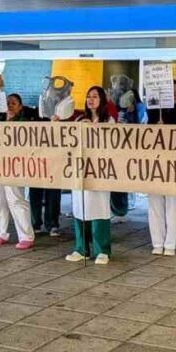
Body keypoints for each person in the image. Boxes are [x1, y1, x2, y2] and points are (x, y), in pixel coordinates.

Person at [66, 86, 115, 265]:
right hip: (79, 171)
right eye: (88, 96)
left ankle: (102, 250)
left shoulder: (108, 120)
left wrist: (93, 128)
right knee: (80, 208)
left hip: (99, 171)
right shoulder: (79, 119)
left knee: (99, 209)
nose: (90, 100)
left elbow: (109, 142)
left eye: (95, 96)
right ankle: (81, 248)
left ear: (102, 100)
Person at [146, 81, 176, 256]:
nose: (174, 94)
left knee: (173, 206)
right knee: (155, 205)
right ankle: (157, 243)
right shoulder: (152, 113)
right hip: (155, 165)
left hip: (175, 165)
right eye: (170, 91)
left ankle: (170, 244)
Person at [0, 94, 35, 249]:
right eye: (7, 103)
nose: (10, 105)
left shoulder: (24, 122)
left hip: (15, 166)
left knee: (16, 199)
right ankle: (1, 233)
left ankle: (26, 235)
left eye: (14, 103)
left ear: (20, 107)